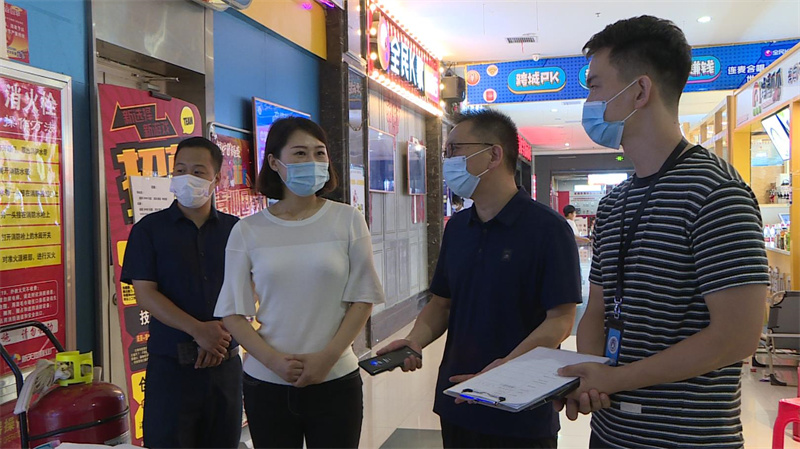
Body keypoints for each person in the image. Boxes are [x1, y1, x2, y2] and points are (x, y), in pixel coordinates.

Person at [557, 15, 769, 448]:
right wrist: (593, 374)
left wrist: (614, 378)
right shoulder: (614, 203)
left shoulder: (715, 192)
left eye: (595, 86)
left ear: (640, 91)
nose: (588, 101)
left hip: (687, 438)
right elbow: (598, 309)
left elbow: (737, 336)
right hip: (610, 432)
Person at [379, 109, 581, 448]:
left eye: (455, 150)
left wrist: (505, 367)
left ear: (494, 154)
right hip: (457, 401)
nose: (448, 161)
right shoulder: (458, 228)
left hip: (521, 409)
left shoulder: (548, 229)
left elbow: (560, 320)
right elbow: (442, 304)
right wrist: (414, 340)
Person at [214, 117, 384, 449]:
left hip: (336, 378)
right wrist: (273, 361)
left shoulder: (348, 219)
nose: (313, 161)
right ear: (274, 162)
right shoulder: (248, 231)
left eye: (319, 153)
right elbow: (232, 313)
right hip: (267, 383)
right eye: (300, 153)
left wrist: (327, 358)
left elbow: (363, 298)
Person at [120, 136, 242, 449]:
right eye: (180, 170)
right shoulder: (148, 230)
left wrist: (219, 336)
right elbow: (146, 294)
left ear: (217, 179)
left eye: (198, 172)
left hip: (225, 366)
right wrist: (199, 330)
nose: (188, 177)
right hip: (171, 368)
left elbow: (251, 289)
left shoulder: (238, 230)